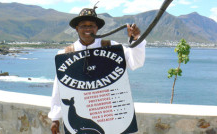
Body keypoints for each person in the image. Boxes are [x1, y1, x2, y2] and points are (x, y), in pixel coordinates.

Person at [48, 6, 146, 134]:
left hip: (111, 118)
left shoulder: (112, 47)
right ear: (77, 28)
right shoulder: (66, 54)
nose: (88, 29)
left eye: (91, 25)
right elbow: (59, 88)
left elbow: (136, 62)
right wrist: (55, 118)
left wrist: (136, 39)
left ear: (97, 28)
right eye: (83, 25)